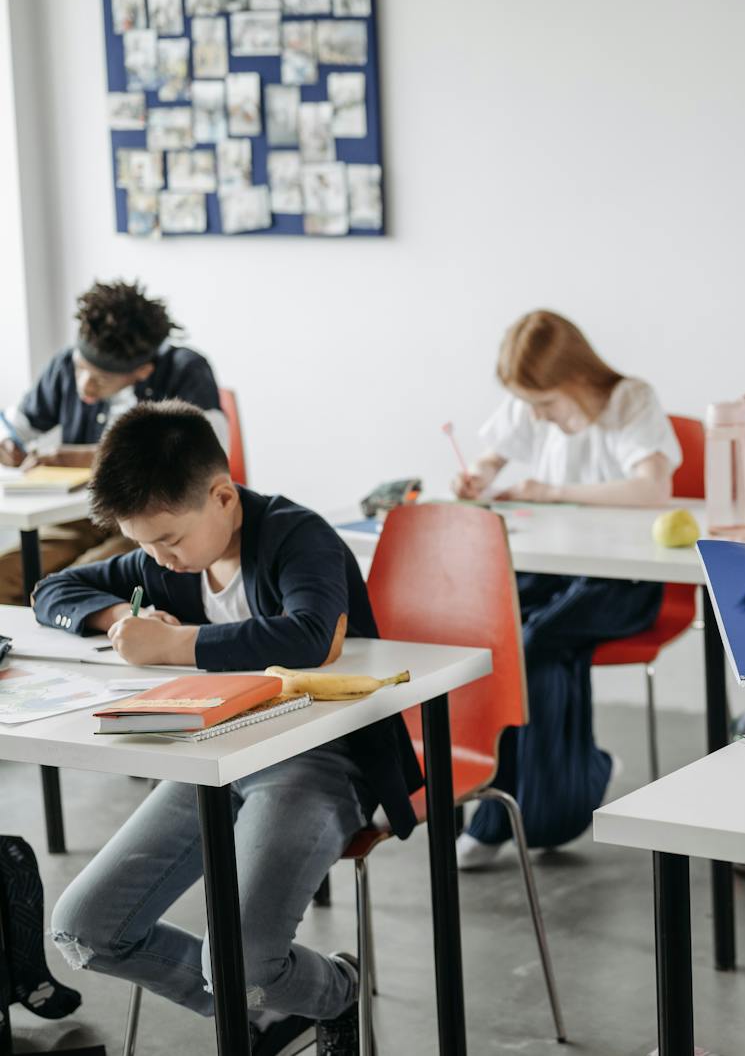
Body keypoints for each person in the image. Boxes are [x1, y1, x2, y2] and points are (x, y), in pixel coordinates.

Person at [35, 401, 421, 1056]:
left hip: (320, 758)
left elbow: (309, 637)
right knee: (84, 930)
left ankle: (334, 991)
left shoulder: (299, 537)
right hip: (215, 761)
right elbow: (54, 591)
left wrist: (172, 645)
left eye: (169, 541)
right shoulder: (171, 559)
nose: (158, 559)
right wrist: (117, 622)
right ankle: (268, 1012)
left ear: (221, 497)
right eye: (144, 546)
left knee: (239, 959)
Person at [451, 309, 679, 869]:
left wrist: (553, 491)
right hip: (555, 571)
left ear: (576, 377)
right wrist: (477, 475)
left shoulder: (631, 400)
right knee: (494, 634)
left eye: (545, 403)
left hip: (627, 581)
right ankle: (569, 783)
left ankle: (513, 812)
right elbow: (491, 454)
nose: (536, 415)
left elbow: (654, 487)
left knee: (537, 640)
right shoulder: (533, 403)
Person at [0, 279, 227, 605]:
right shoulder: (64, 365)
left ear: (142, 372)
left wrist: (78, 458)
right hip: (81, 517)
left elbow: (208, 456)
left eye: (101, 379)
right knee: (7, 573)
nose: (85, 386)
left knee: (71, 585)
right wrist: (9, 443)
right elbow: (16, 424)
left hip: (150, 522)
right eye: (81, 369)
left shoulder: (185, 371)